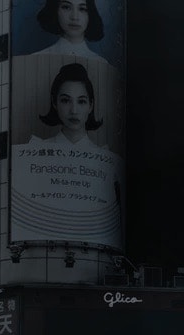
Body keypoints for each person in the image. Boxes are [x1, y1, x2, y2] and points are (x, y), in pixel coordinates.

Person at [23, 62, 122, 245]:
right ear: (54, 103)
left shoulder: (108, 160)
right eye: (66, 100)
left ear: (91, 105)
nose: (74, 110)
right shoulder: (34, 151)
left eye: (82, 101)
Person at [35, 0, 106, 58]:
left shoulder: (102, 63)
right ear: (55, 10)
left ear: (90, 14)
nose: (74, 17)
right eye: (66, 7)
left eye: (82, 9)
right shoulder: (36, 59)